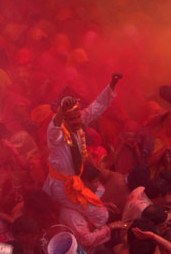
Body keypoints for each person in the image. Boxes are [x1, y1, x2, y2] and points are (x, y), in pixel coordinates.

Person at [43, 73, 123, 230]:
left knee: (99, 190)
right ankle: (90, 233)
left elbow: (96, 107)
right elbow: (53, 129)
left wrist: (111, 85)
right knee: (103, 215)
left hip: (76, 181)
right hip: (62, 187)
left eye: (78, 117)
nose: (77, 121)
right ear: (64, 119)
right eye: (72, 119)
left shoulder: (79, 123)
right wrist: (61, 110)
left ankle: (81, 212)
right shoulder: (57, 136)